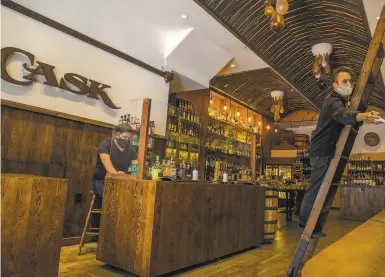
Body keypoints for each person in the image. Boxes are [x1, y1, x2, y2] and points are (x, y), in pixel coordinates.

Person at [298, 66, 381, 238]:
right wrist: (365, 116)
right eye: (345, 81)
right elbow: (343, 116)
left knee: (324, 188)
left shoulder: (341, 102)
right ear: (335, 85)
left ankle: (316, 226)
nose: (349, 84)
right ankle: (305, 224)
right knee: (316, 187)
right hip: (321, 150)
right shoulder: (332, 101)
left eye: (350, 81)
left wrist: (363, 118)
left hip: (327, 150)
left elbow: (346, 118)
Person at [92, 124, 137, 198]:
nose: (127, 140)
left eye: (129, 138)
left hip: (122, 182)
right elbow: (106, 162)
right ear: (117, 135)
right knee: (112, 197)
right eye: (125, 137)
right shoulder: (106, 144)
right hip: (102, 180)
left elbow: (135, 168)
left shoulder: (132, 150)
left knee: (129, 197)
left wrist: (132, 178)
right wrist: (116, 175)